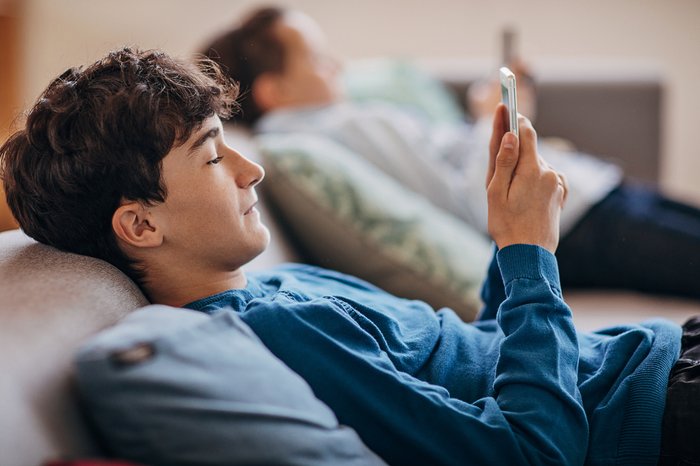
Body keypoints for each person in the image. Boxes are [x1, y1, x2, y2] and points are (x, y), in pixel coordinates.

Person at [0, 46, 698, 465]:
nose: (252, 171)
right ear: (140, 225)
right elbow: (528, 452)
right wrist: (528, 253)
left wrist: (506, 233)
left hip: (657, 361)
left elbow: (478, 351)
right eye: (213, 156)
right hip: (664, 403)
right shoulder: (274, 334)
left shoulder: (282, 287)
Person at [200, 6, 700, 300]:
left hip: (589, 199)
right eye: (316, 59)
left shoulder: (335, 123)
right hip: (580, 221)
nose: (336, 66)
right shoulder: (330, 131)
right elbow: (477, 198)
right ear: (273, 92)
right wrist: (496, 117)